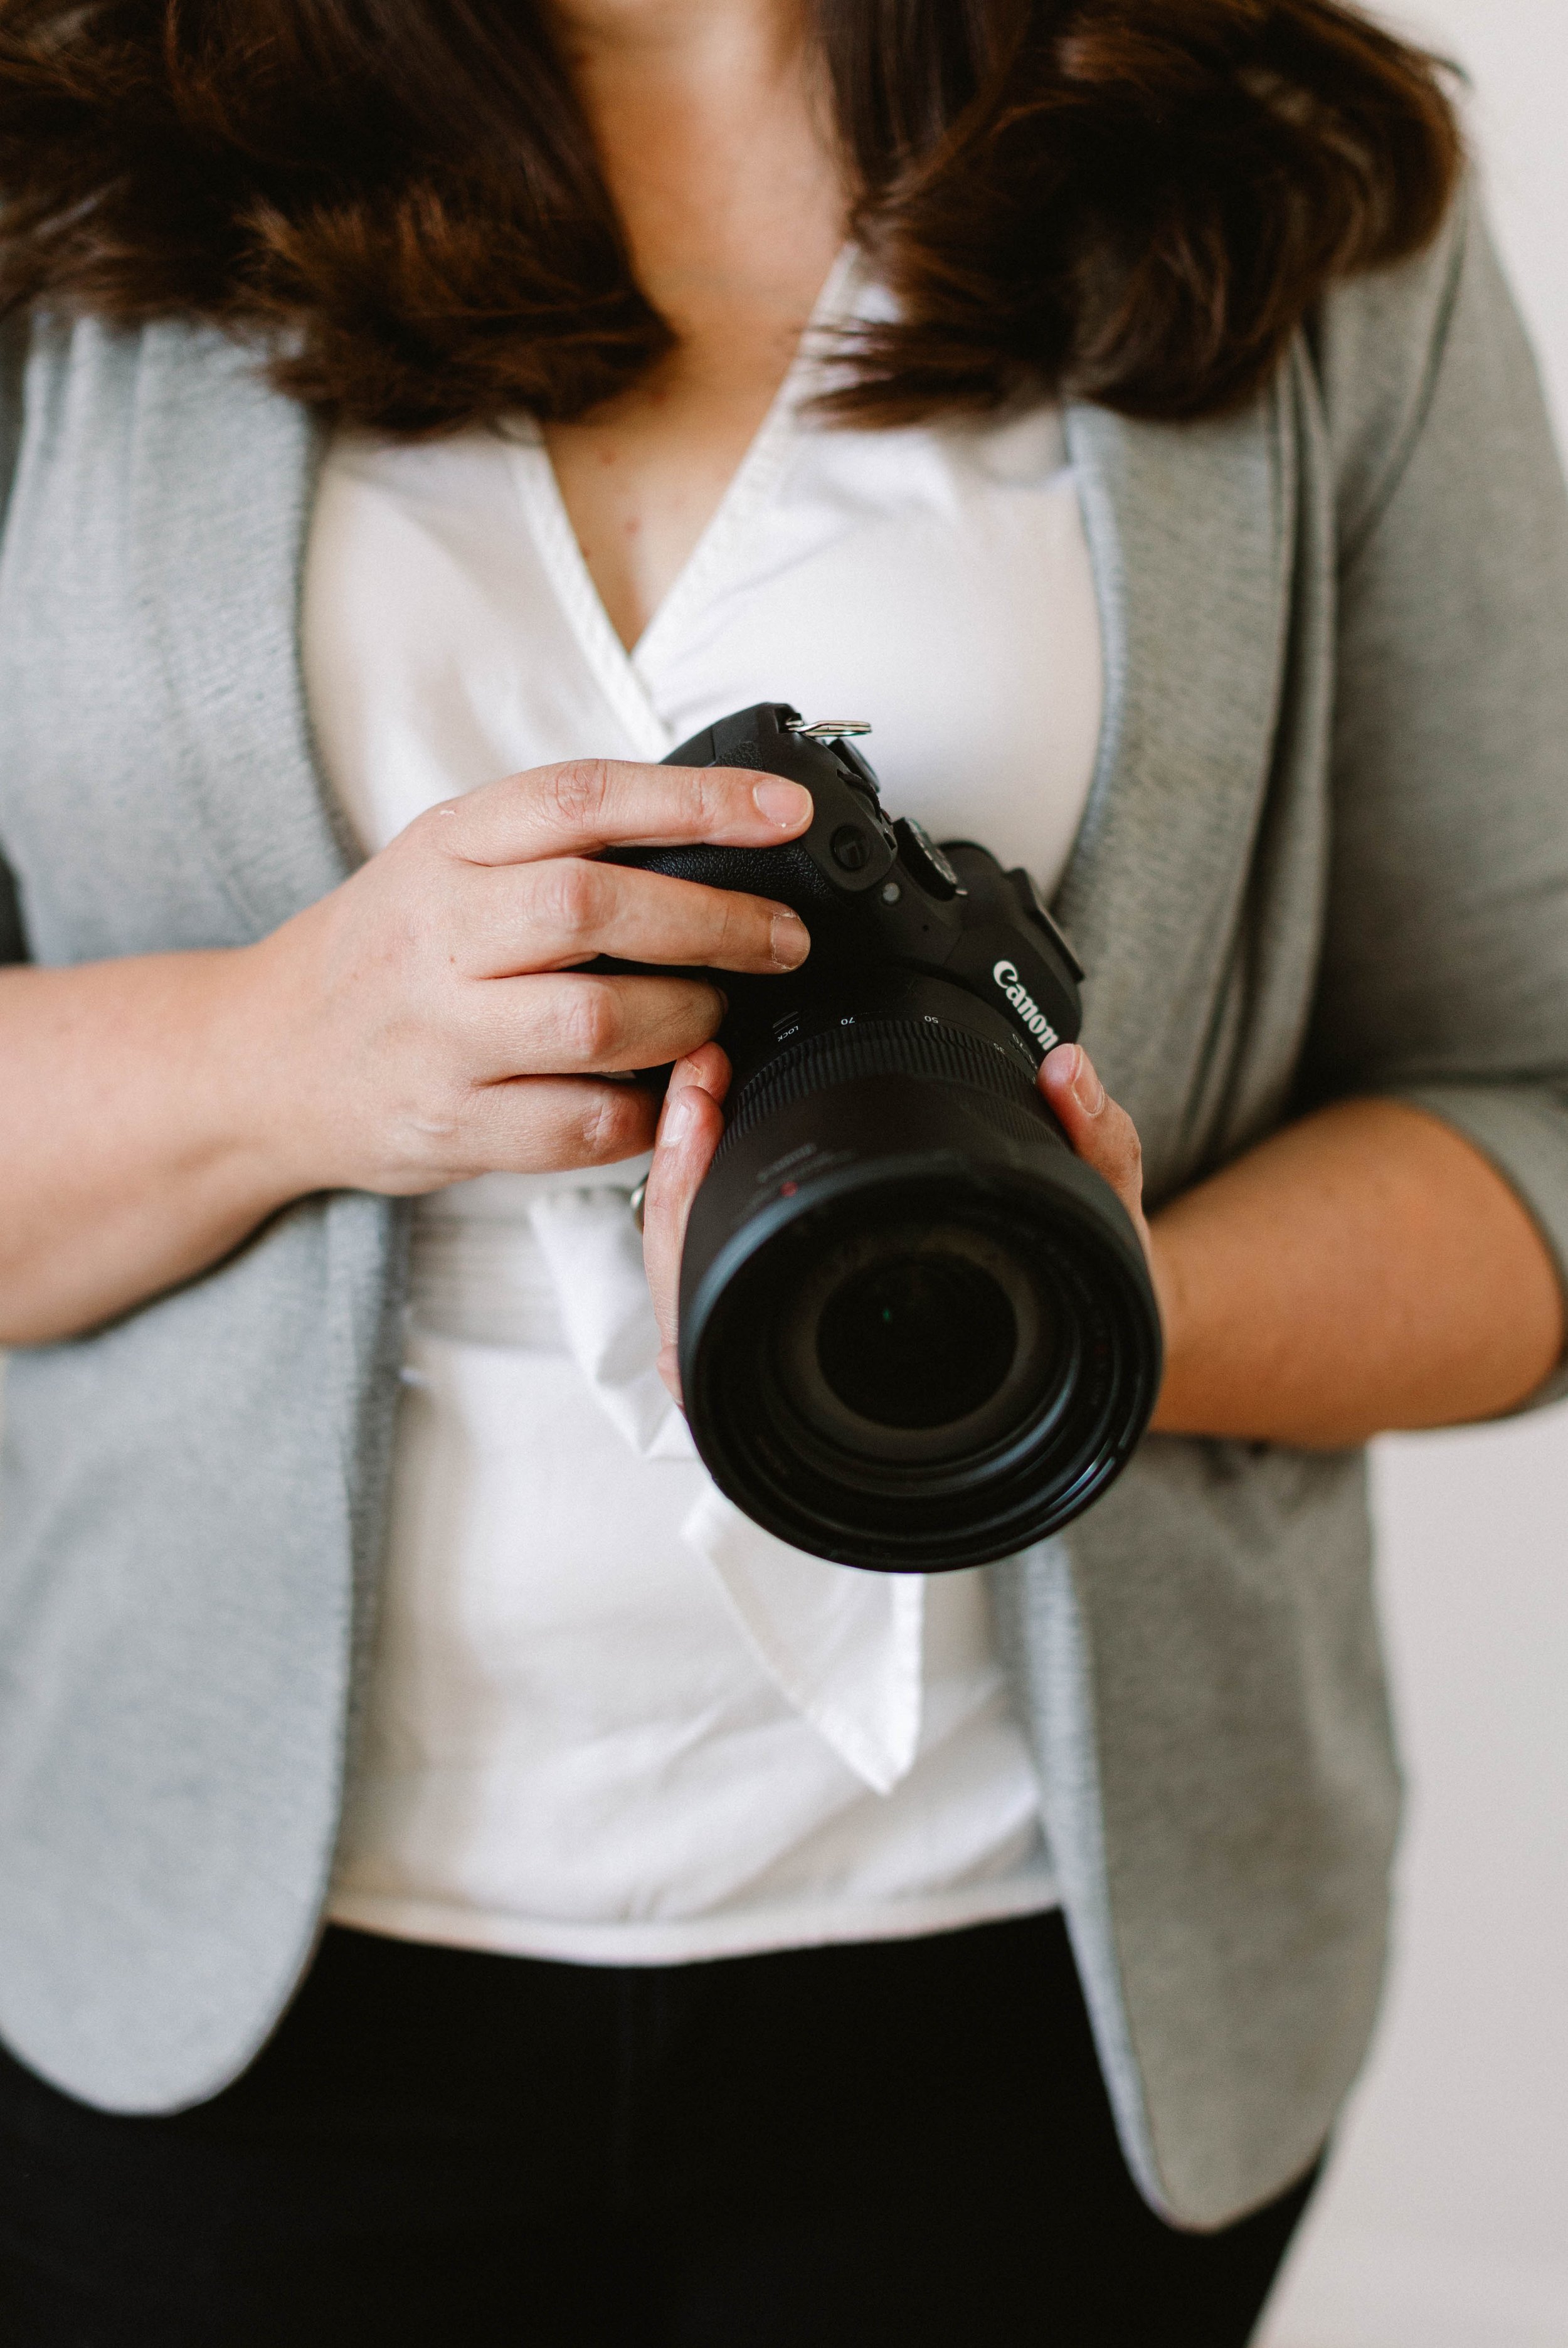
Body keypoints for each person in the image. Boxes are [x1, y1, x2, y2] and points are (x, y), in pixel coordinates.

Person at [0, 0, 1565, 2339]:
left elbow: (1532, 1107)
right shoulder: (60, 146)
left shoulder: (1268, 169)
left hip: (1034, 1991)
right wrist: (280, 1050)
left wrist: (1068, 1308)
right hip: (190, 1969)